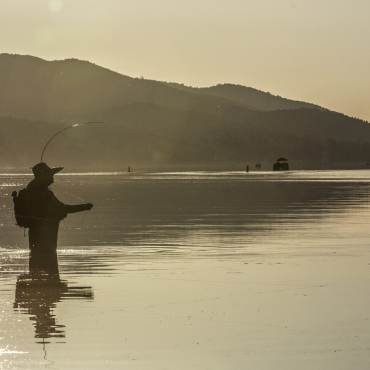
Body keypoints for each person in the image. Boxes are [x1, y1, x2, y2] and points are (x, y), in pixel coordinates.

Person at [25, 162, 93, 277]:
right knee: (50, 272)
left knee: (36, 269)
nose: (52, 177)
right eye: (50, 175)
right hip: (46, 239)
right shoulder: (44, 193)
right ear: (43, 176)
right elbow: (62, 209)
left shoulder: (31, 189)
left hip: (35, 236)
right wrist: (84, 207)